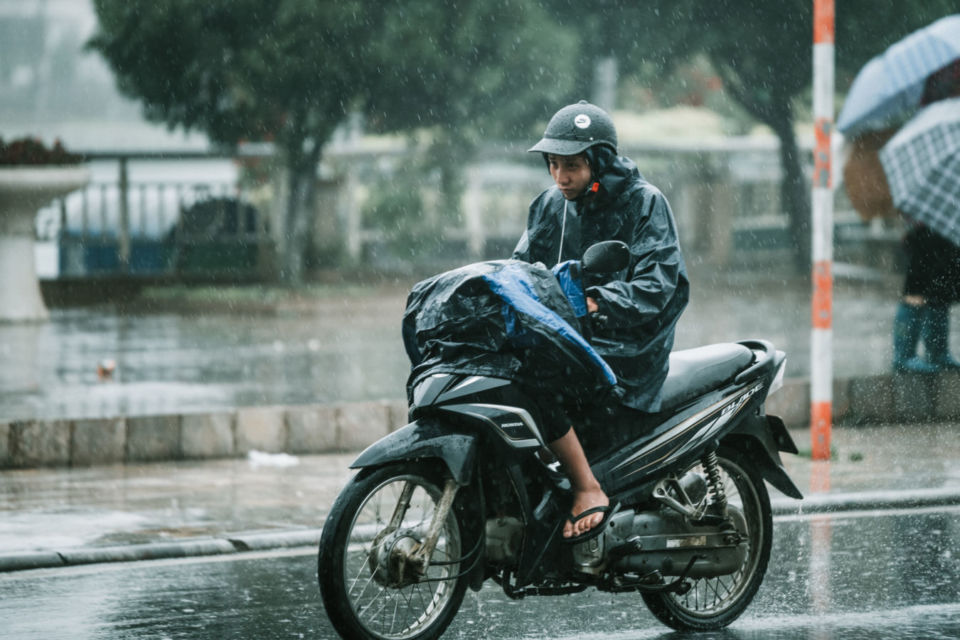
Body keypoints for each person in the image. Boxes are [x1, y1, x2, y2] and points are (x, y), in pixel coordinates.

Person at [513, 101, 690, 540]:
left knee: (538, 381)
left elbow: (657, 284)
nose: (560, 177)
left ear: (600, 160)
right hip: (569, 338)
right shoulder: (550, 206)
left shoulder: (645, 203)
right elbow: (519, 267)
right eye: (553, 164)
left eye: (571, 166)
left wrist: (594, 304)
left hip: (629, 348)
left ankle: (588, 488)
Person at [892, 61, 960, 373]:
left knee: (944, 288)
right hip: (926, 219)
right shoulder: (937, 93)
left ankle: (937, 351)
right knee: (918, 285)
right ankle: (904, 356)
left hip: (950, 217)